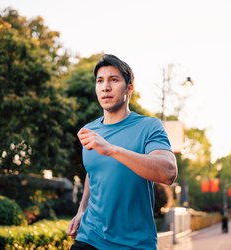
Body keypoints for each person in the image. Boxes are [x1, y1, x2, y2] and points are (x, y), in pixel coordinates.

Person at [67, 54, 177, 250]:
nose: (105, 87)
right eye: (100, 81)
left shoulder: (149, 126)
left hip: (134, 244)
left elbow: (168, 172)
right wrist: (81, 209)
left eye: (114, 80)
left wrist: (112, 150)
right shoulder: (89, 131)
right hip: (90, 238)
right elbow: (93, 174)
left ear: (129, 87)